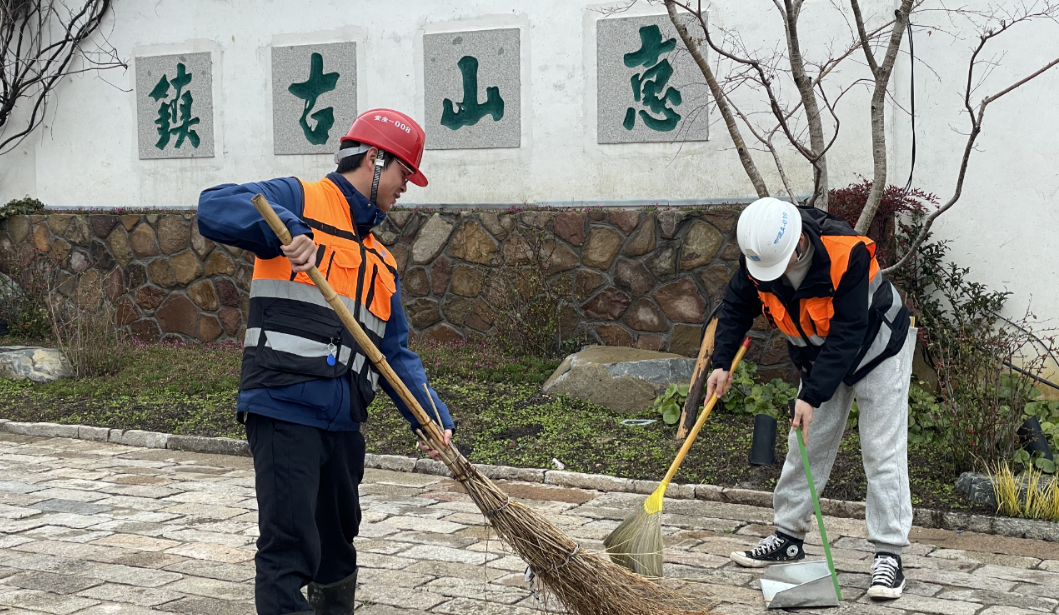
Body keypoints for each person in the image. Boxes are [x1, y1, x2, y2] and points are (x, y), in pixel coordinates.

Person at [197, 109, 454, 615]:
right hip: (284, 407)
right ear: (376, 160)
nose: (406, 187)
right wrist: (288, 230)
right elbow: (214, 205)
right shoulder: (299, 198)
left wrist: (433, 420)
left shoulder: (381, 259)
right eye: (405, 173)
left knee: (337, 550)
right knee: (290, 546)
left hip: (343, 423)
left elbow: (395, 354)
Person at [708, 197, 915, 600]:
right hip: (822, 356)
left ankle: (889, 555)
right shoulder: (760, 257)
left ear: (799, 242)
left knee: (880, 450)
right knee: (804, 444)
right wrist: (722, 363)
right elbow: (735, 308)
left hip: (879, 348)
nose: (772, 276)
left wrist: (812, 395)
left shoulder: (846, 253)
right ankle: (788, 535)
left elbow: (850, 330)